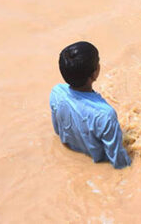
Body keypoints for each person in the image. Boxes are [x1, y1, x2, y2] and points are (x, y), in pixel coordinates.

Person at [49, 41, 131, 169]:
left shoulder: (56, 92)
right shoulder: (106, 115)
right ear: (94, 73)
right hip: (99, 161)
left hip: (72, 153)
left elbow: (57, 131)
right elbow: (119, 162)